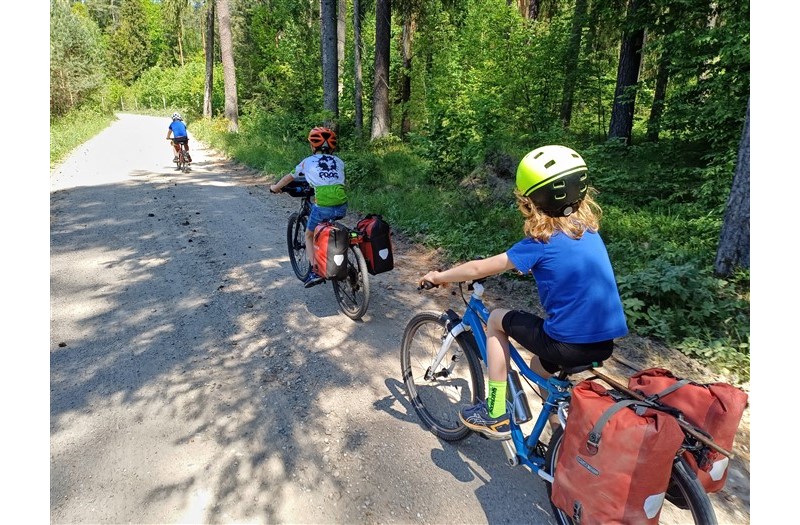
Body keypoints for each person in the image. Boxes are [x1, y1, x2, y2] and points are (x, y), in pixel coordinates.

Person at [419, 145, 628, 440]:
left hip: (565, 342)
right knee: (538, 367)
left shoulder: (540, 242)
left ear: (532, 201)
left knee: (494, 320)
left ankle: (494, 414)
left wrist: (440, 277)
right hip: (602, 343)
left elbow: (480, 269)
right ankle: (558, 433)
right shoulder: (588, 231)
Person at [270, 126, 347, 288]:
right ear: (332, 147)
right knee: (330, 224)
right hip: (342, 205)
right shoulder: (339, 162)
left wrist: (275, 188)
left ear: (313, 146)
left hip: (323, 205)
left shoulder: (307, 162)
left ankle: (313, 271)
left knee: (309, 235)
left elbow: (288, 178)